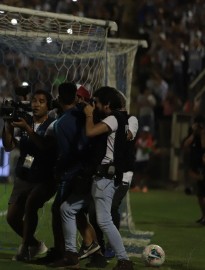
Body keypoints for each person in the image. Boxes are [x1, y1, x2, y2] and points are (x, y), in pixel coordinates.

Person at [37, 82, 90, 266]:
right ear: (76, 98)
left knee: (60, 210)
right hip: (91, 170)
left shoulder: (61, 123)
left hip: (73, 174)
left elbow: (67, 154)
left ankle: (66, 253)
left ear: (58, 99)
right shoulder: (84, 115)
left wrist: (58, 170)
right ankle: (86, 248)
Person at [81, 87, 133, 270]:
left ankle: (124, 259)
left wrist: (88, 115)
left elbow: (91, 132)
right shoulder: (122, 118)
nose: (93, 105)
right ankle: (81, 249)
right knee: (76, 210)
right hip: (108, 175)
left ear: (107, 104)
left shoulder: (113, 117)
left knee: (104, 220)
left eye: (96, 102)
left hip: (105, 176)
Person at [2, 90, 57, 261]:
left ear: (49, 106)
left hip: (44, 177)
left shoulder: (52, 125)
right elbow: (8, 147)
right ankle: (35, 245)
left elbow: (44, 146)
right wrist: (8, 125)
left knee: (31, 205)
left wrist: (26, 127)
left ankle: (24, 248)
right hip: (24, 174)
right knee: (12, 217)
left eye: (41, 101)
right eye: (34, 100)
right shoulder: (25, 122)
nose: (36, 104)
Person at [183, 115, 205, 225]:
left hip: (203, 166)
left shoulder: (203, 135)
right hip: (196, 166)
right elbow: (185, 145)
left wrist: (202, 133)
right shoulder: (193, 135)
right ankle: (203, 216)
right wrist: (193, 133)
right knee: (200, 195)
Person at [131, 126, 154, 193]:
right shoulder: (139, 140)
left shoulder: (149, 141)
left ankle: (145, 187)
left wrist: (142, 147)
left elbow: (148, 149)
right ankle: (137, 186)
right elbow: (135, 145)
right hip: (138, 159)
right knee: (137, 173)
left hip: (145, 159)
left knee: (145, 174)